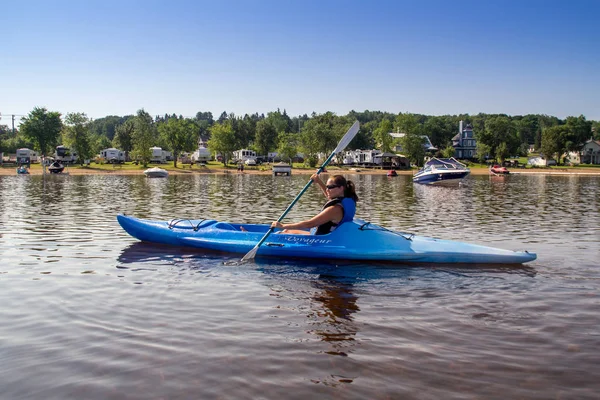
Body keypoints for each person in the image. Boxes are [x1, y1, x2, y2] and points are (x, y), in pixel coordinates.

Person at [271, 173, 358, 235]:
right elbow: (329, 196)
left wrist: (282, 225)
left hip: (322, 240)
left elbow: (310, 224)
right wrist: (319, 182)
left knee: (285, 231)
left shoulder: (334, 209)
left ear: (341, 188)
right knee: (287, 231)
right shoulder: (346, 200)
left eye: (330, 187)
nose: (327, 190)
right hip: (330, 236)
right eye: (327, 187)